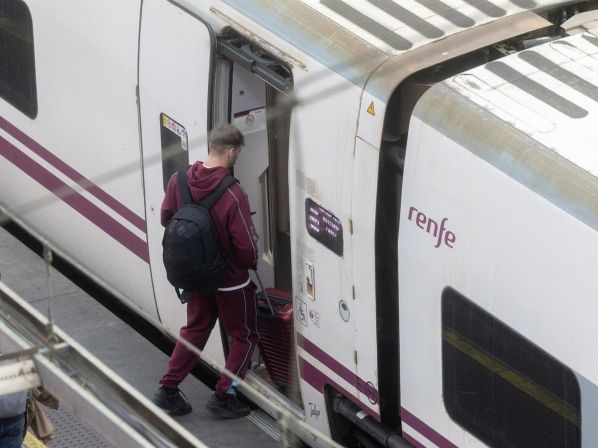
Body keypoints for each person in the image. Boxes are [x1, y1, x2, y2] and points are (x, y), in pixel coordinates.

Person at [153, 123, 260, 419]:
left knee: (196, 329)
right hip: (230, 281)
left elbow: (166, 218)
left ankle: (168, 389)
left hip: (196, 276)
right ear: (231, 152)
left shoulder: (178, 180)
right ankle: (225, 394)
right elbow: (246, 246)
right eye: (238, 153)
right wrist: (251, 261)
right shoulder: (233, 192)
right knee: (245, 336)